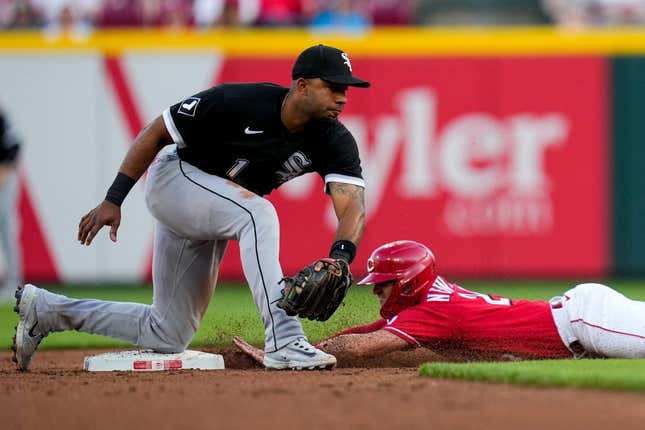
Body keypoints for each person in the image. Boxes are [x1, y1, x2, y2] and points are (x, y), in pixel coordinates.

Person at [11, 44, 370, 371]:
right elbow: (156, 132)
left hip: (212, 205)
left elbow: (352, 204)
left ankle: (46, 311)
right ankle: (286, 339)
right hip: (176, 179)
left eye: (345, 90)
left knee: (168, 332)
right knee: (258, 214)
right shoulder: (237, 101)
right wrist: (114, 198)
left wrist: (340, 256)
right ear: (303, 86)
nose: (342, 97)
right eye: (333, 87)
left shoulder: (334, 139)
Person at [235, 240, 645, 365]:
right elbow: (365, 332)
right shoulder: (429, 300)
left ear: (410, 283)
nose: (376, 291)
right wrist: (299, 350)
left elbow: (361, 347)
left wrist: (295, 356)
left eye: (384, 283)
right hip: (580, 321)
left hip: (587, 321)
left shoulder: (434, 310)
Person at [0, 107, 22, 304]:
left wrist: (5, 167)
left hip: (4, 179)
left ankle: (13, 281)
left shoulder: (3, 119)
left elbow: (15, 145)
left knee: (7, 229)